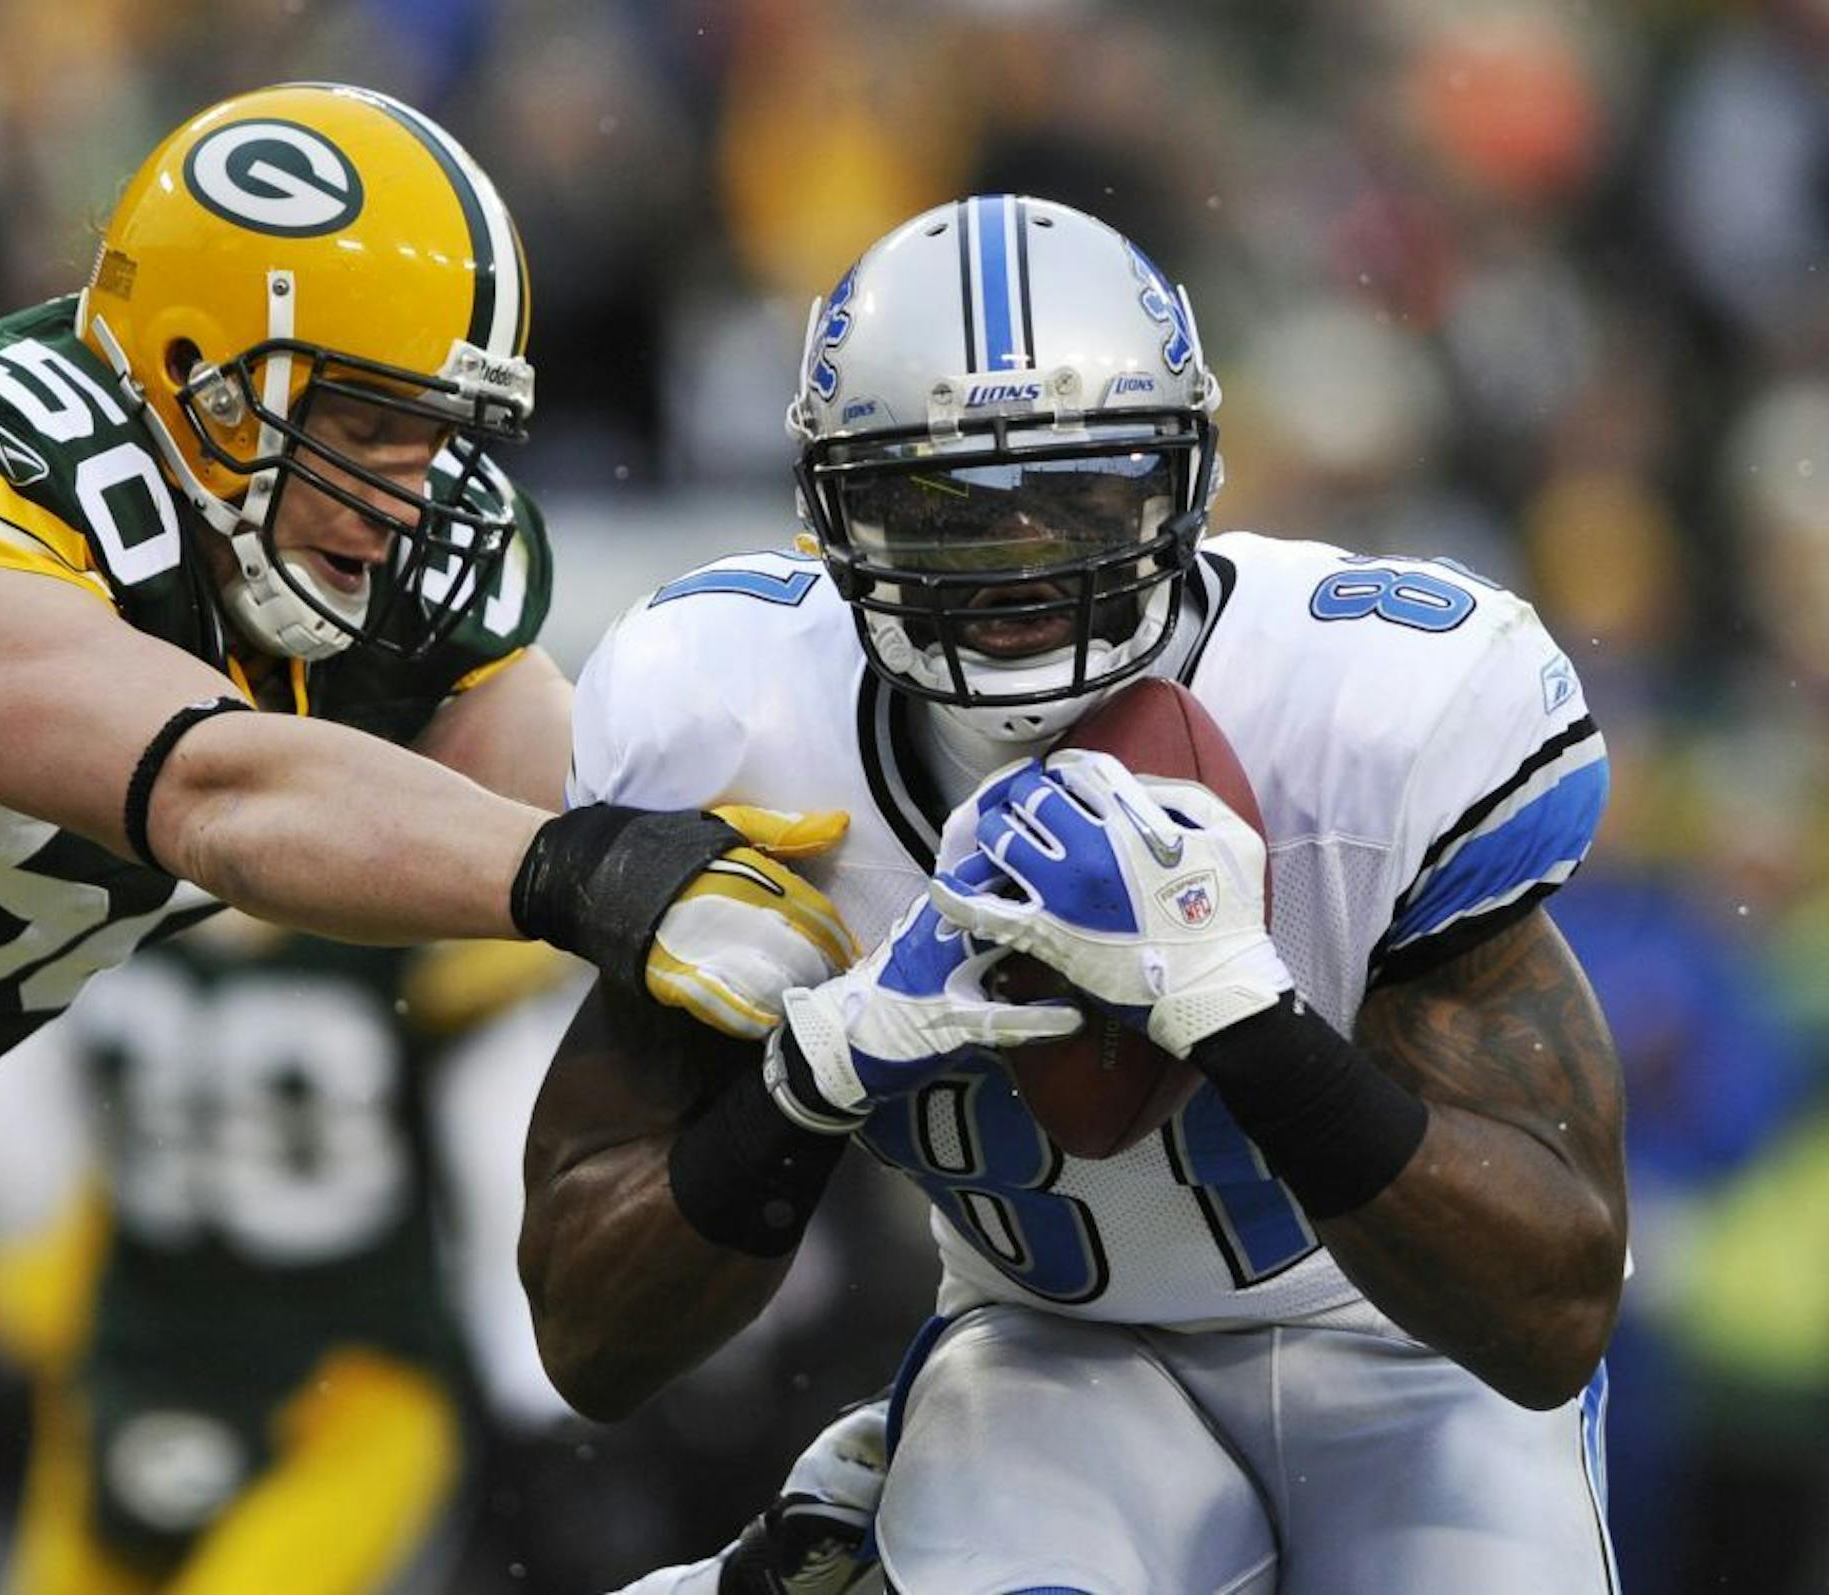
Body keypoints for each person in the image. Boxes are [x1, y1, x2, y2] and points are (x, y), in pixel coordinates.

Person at [0, 82, 848, 1595]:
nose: (408, 494)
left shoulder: (341, 548)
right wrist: (594, 883)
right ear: (199, 376)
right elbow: (222, 794)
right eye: (365, 419)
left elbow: (570, 787)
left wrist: (843, 888)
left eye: (436, 433)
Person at [522, 195, 1627, 1593]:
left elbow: (1552, 1310)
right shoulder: (730, 721)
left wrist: (1246, 1015)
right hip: (1052, 1346)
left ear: (1186, 478)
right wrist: (801, 1085)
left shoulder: (1379, 715)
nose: (1022, 563)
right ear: (826, 508)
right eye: (939, 503)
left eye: (1083, 487)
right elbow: (589, 1339)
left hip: (1408, 1354)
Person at [0, 923, 582, 1595]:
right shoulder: (104, 885)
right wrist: (34, 1287)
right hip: (127, 1356)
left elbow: (504, 1117)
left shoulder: (408, 907)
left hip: (351, 1381)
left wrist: (524, 1359)